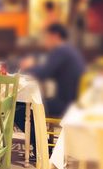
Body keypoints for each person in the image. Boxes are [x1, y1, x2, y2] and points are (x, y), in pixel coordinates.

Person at [15, 23, 85, 160]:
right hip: (73, 101)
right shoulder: (69, 50)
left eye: (46, 37)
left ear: (55, 36)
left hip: (66, 104)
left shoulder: (61, 51)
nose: (44, 41)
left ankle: (43, 149)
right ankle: (42, 146)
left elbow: (44, 73)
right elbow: (51, 72)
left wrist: (29, 66)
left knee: (19, 110)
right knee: (25, 106)